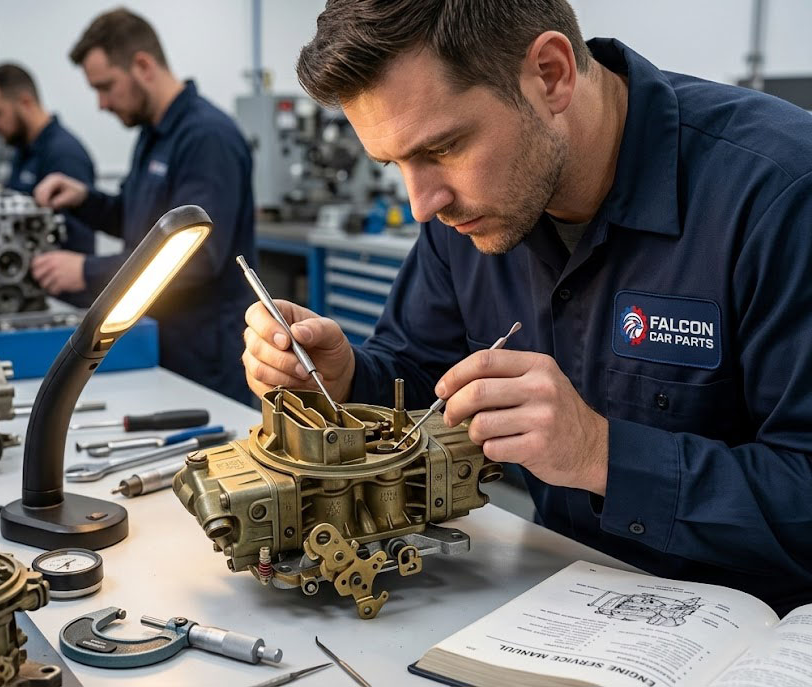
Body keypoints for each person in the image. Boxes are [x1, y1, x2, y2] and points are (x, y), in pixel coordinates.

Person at [242, 0, 812, 615]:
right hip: (555, 596)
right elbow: (423, 374)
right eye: (395, 163)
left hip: (754, 625)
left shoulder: (780, 195)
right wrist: (344, 378)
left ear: (551, 73)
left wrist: (599, 454)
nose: (422, 204)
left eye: (444, 146)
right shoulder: (466, 213)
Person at [33, 8, 255, 405]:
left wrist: (85, 271)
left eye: (106, 86)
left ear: (142, 65)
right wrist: (85, 200)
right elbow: (139, 225)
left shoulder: (206, 137)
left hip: (203, 357)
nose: (101, 104)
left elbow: (197, 256)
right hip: (158, 340)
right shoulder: (152, 135)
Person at [0, 63, 97, 265]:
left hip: (60, 293)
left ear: (25, 102)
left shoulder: (64, 154)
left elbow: (74, 246)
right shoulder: (22, 150)